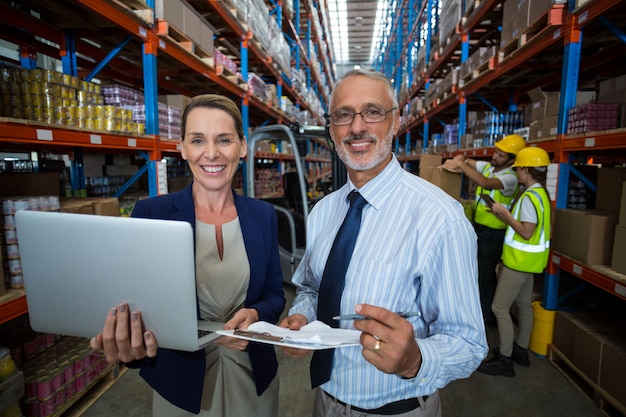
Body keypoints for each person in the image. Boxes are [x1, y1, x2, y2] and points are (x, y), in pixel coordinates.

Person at [278, 69, 488, 417]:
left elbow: (468, 343)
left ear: (396, 122)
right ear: (331, 129)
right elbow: (313, 289)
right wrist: (301, 317)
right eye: (344, 115)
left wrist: (414, 359)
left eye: (372, 112)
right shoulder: (323, 212)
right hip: (325, 403)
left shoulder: (439, 218)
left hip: (397, 409)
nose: (357, 127)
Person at [90, 94, 286, 416]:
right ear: (182, 147)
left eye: (224, 139)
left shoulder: (263, 215)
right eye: (198, 140)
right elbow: (136, 306)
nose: (211, 153)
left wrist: (256, 316)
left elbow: (274, 295)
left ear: (243, 146)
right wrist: (130, 343)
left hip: (254, 378)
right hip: (182, 386)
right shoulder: (153, 214)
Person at [477, 147, 552, 377]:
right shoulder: (541, 194)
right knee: (523, 307)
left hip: (518, 263)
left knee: (499, 308)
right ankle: (521, 350)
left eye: (518, 168)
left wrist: (506, 215)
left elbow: (527, 232)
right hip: (531, 263)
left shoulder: (529, 197)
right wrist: (502, 213)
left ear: (526, 169)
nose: (516, 173)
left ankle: (505, 358)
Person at [442, 134, 525, 326]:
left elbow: (485, 183)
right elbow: (464, 158)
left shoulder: (510, 178)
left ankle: (484, 319)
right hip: (480, 229)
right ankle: (480, 313)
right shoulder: (490, 167)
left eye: (501, 155)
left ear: (512, 160)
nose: (495, 156)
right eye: (496, 152)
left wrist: (461, 166)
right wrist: (459, 160)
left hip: (494, 233)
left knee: (484, 276)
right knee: (478, 273)